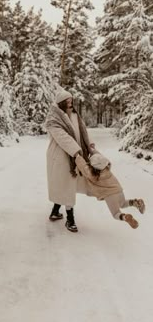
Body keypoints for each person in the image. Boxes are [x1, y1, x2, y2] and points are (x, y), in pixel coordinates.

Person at [45, 89, 94, 232]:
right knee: (66, 185)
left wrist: (89, 144)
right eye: (67, 101)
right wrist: (76, 151)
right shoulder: (54, 119)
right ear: (60, 103)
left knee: (66, 185)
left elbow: (82, 131)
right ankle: (70, 219)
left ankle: (55, 212)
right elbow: (63, 138)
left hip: (75, 155)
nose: (70, 103)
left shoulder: (74, 115)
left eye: (71, 100)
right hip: (61, 156)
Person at [75, 152, 145, 228]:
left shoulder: (92, 174)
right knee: (123, 203)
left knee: (116, 214)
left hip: (109, 195)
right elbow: (100, 158)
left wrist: (77, 156)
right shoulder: (107, 168)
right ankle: (135, 202)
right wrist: (93, 150)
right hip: (118, 190)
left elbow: (82, 166)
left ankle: (125, 217)